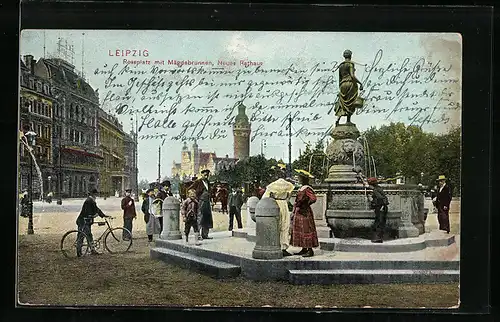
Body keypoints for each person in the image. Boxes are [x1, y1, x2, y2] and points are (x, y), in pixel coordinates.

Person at [263, 171, 295, 256]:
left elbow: (265, 197)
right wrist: (285, 199)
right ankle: (284, 247)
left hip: (275, 204)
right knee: (285, 226)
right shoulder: (288, 185)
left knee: (277, 225)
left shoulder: (272, 185)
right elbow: (289, 195)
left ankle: (275, 245)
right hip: (284, 205)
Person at [290, 169, 319, 257]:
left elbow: (313, 198)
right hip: (299, 212)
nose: (298, 179)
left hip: (304, 212)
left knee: (306, 229)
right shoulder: (302, 188)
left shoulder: (307, 188)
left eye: (300, 178)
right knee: (301, 230)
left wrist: (306, 203)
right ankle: (304, 248)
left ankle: (310, 250)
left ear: (303, 179)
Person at [76, 189, 110, 256]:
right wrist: (93, 215)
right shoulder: (89, 201)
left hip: (86, 221)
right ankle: (79, 251)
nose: (96, 196)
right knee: (82, 236)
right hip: (83, 221)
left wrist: (103, 215)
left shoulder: (91, 201)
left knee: (89, 235)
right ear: (93, 194)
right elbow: (88, 212)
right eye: (95, 194)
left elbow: (97, 209)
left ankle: (92, 250)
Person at [335, 49, 365, 125]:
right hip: (350, 84)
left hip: (342, 85)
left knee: (342, 103)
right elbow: (352, 75)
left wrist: (340, 87)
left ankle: (338, 120)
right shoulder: (350, 64)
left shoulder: (341, 66)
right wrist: (360, 83)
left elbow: (340, 78)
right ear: (351, 56)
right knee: (351, 102)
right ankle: (348, 121)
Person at [188, 169, 214, 239]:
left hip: (207, 202)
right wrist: (195, 198)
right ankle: (198, 235)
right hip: (200, 202)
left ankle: (205, 235)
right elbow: (190, 189)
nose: (206, 177)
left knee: (207, 218)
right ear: (201, 174)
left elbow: (210, 192)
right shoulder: (198, 182)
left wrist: (211, 200)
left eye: (207, 175)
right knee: (200, 218)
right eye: (205, 175)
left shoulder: (208, 182)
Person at [367, 177, 389, 243]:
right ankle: (379, 238)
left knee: (378, 223)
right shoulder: (378, 188)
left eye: (369, 184)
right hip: (383, 207)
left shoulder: (376, 190)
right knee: (381, 223)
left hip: (380, 207)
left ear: (372, 185)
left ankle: (377, 238)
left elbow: (381, 198)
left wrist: (371, 199)